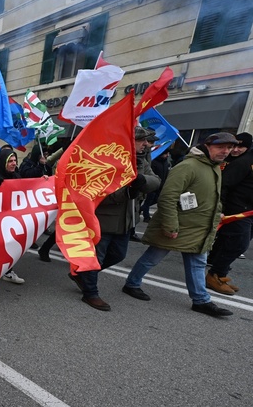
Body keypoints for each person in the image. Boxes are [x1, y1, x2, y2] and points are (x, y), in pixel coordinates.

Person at [122, 132, 237, 317]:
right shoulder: (188, 166)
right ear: (207, 146)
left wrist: (217, 214)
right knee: (153, 257)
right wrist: (170, 226)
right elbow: (168, 197)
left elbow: (211, 196)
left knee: (197, 263)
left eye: (229, 148)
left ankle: (201, 300)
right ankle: (132, 284)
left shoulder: (213, 167)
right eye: (221, 147)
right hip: (178, 225)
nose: (226, 151)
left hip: (198, 227)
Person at [70, 126, 160, 311]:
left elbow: (156, 180)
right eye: (141, 140)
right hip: (105, 219)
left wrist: (142, 180)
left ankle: (81, 274)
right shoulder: (105, 159)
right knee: (96, 257)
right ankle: (90, 293)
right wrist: (128, 192)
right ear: (129, 141)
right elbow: (97, 192)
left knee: (118, 254)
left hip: (127, 220)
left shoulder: (140, 160)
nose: (146, 144)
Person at [205, 131, 253, 294]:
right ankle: (214, 276)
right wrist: (222, 209)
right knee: (237, 244)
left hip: (249, 212)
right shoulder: (245, 162)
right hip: (237, 211)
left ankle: (220, 274)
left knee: (237, 245)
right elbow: (224, 185)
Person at [0, 147, 26, 284]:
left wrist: (43, 181)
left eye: (15, 160)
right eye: (10, 161)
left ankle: (8, 271)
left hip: (11, 219)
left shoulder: (17, 177)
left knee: (10, 246)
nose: (13, 163)